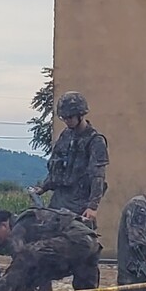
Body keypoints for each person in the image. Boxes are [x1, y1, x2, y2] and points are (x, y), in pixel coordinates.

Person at [30, 91, 108, 227]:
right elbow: (56, 168)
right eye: (63, 118)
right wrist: (43, 188)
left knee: (78, 240)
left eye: (70, 117)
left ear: (81, 114)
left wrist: (92, 207)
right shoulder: (65, 136)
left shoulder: (95, 141)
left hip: (80, 203)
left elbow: (98, 176)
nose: (67, 121)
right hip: (59, 199)